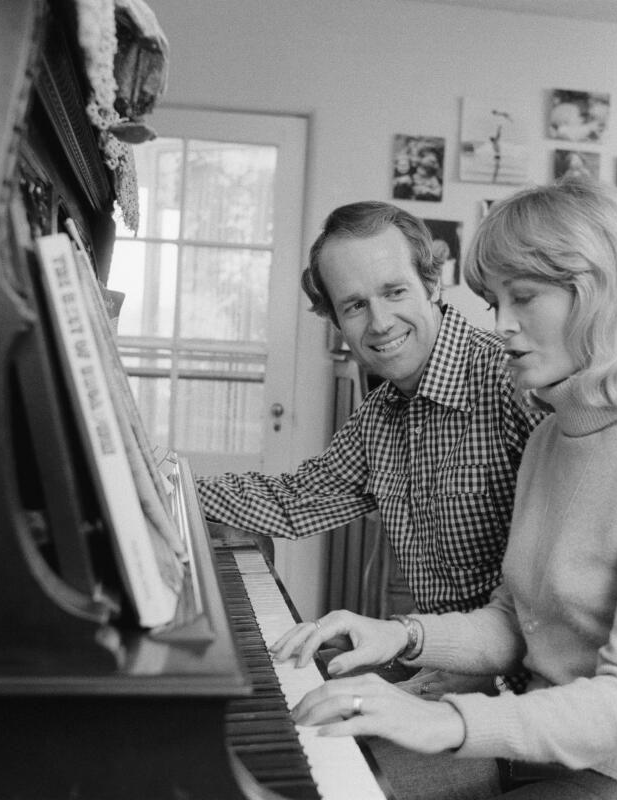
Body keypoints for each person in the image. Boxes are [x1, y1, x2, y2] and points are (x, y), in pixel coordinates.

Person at [271, 179, 617, 800]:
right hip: (531, 742)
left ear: (599, 293)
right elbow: (519, 624)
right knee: (323, 776)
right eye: (496, 301)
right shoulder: (553, 439)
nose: (504, 324)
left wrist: (445, 721)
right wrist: (403, 635)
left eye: (524, 298)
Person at [196, 200, 545, 693]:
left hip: (515, 686)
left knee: (318, 740)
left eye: (394, 291)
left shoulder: (512, 383)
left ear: (431, 283)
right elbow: (293, 501)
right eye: (355, 305)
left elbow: (568, 603)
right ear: (336, 319)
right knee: (279, 684)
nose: (379, 323)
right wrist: (159, 479)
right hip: (432, 656)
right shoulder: (380, 416)